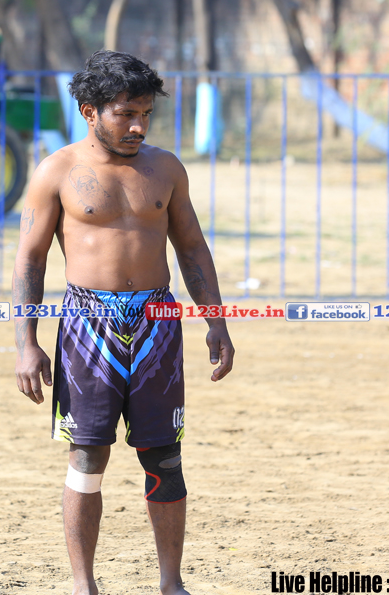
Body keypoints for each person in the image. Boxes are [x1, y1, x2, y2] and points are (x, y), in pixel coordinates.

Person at [12, 50, 236, 595]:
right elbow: (30, 259)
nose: (138, 126)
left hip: (157, 323)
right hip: (87, 326)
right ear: (89, 111)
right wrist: (26, 343)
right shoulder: (57, 171)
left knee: (164, 455)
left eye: (146, 115)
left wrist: (216, 322)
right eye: (125, 114)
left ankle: (171, 583)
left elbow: (192, 247)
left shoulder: (166, 169)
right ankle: (84, 585)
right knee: (88, 454)